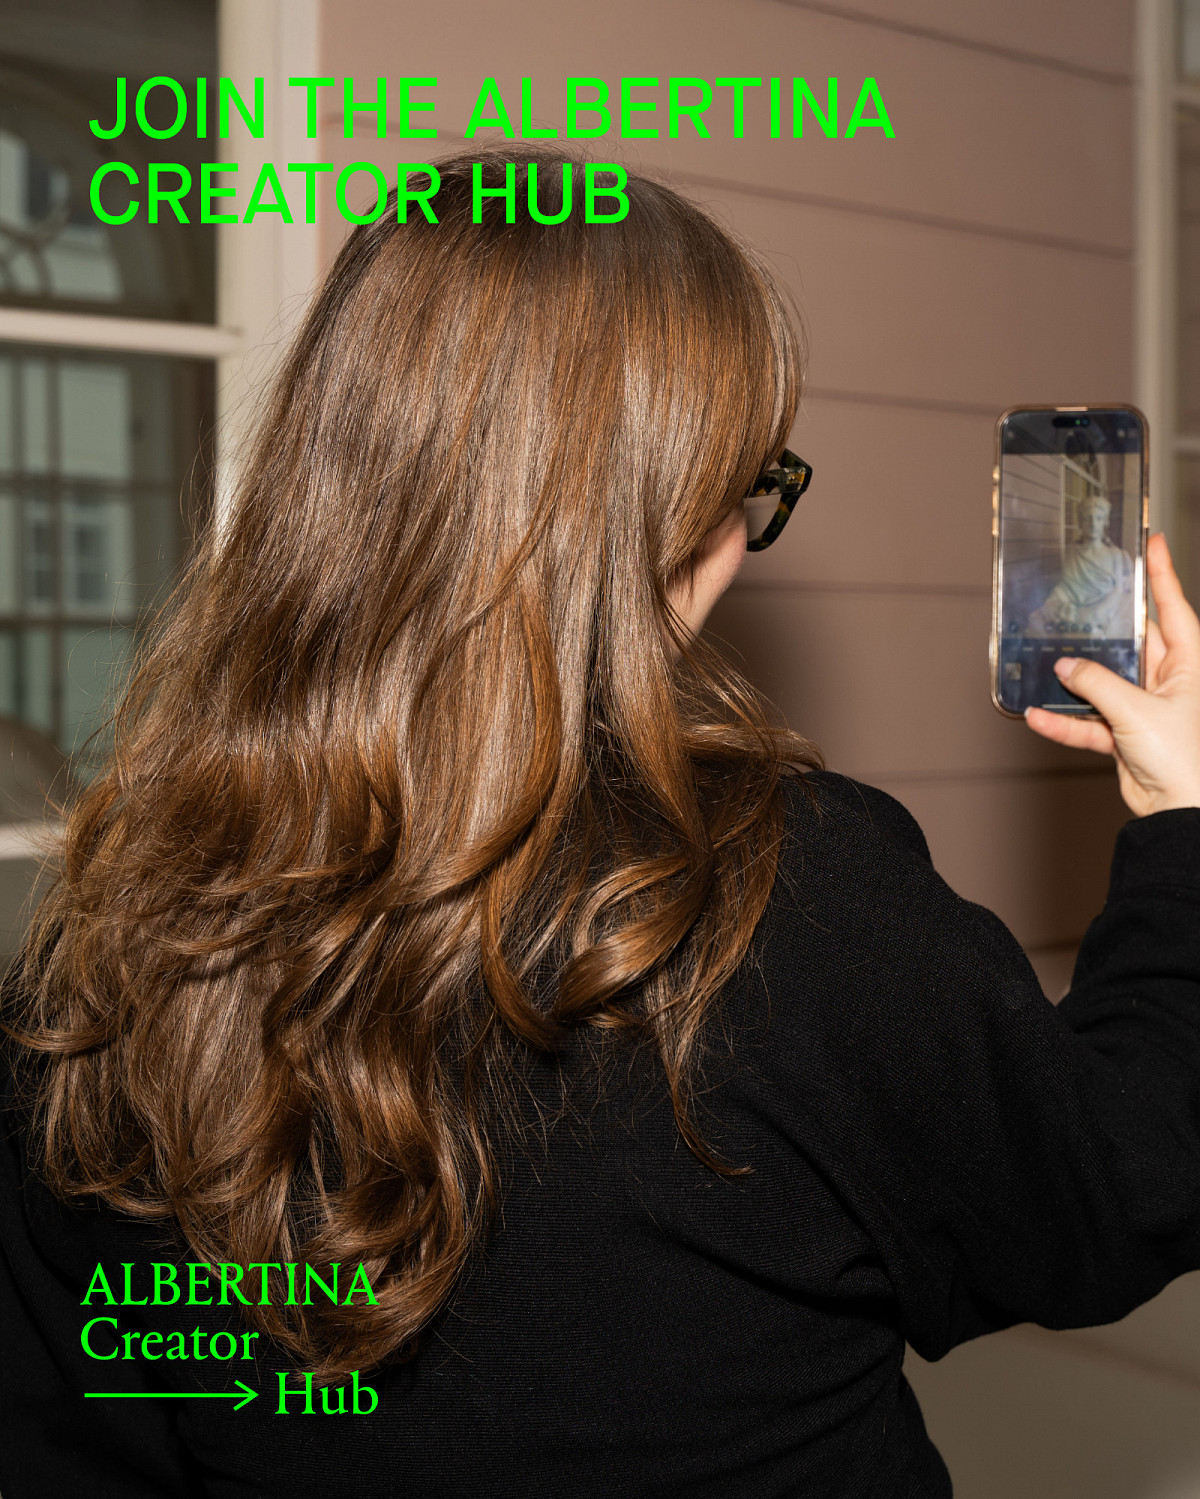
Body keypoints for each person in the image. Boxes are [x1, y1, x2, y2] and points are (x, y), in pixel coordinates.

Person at [1, 148, 1199, 1499]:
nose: (747, 533)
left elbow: (75, 1428)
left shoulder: (110, 946)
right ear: (662, 517)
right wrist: (1184, 825)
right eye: (751, 477)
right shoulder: (791, 891)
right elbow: (1110, 1196)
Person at [1026, 491, 1135, 638]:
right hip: (1075, 613)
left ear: (1105, 522)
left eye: (1098, 518)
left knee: (1090, 633)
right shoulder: (1073, 555)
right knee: (1036, 620)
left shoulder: (1116, 555)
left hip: (1102, 612)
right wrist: (1058, 603)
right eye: (1087, 519)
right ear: (1080, 523)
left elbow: (1119, 592)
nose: (1093, 524)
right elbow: (1066, 589)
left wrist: (1095, 612)